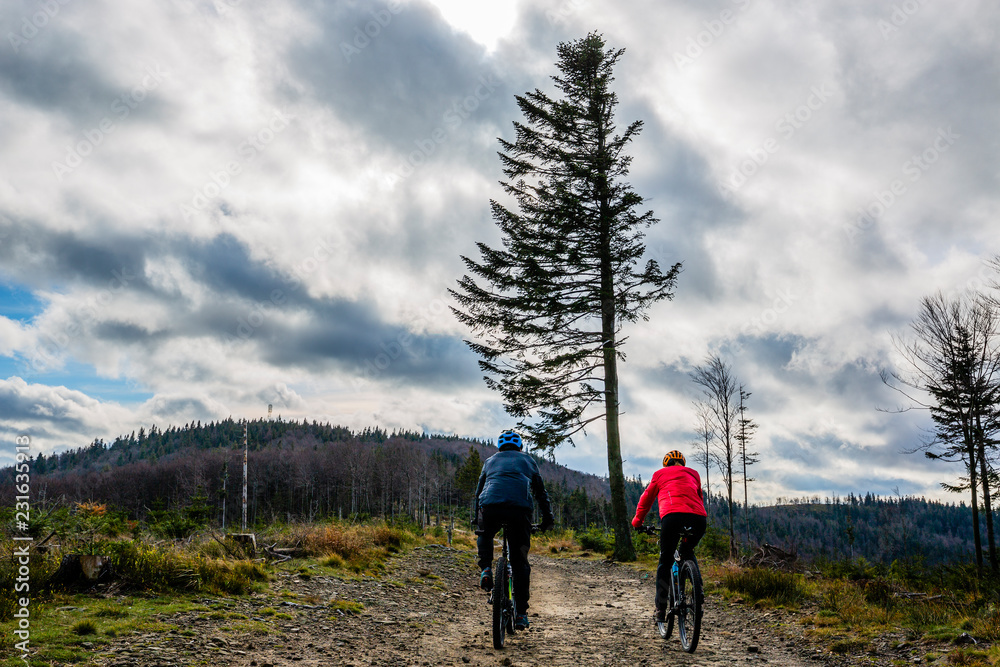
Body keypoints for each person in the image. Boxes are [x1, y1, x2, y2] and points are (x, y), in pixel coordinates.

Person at [474, 430, 554, 631]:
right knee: (520, 563)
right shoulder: (528, 461)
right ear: (520, 446)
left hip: (490, 507)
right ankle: (521, 614)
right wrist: (547, 520)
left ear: (500, 447)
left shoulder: (489, 461)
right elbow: (540, 493)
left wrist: (477, 518)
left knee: (484, 533)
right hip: (519, 511)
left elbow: (478, 492)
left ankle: (485, 568)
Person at [632, 449, 707, 622]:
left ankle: (660, 608)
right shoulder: (694, 474)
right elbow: (699, 497)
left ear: (666, 464)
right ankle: (699, 591)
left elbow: (647, 499)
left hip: (672, 517)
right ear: (683, 463)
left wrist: (637, 522)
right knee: (687, 550)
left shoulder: (660, 474)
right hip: (698, 518)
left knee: (665, 561)